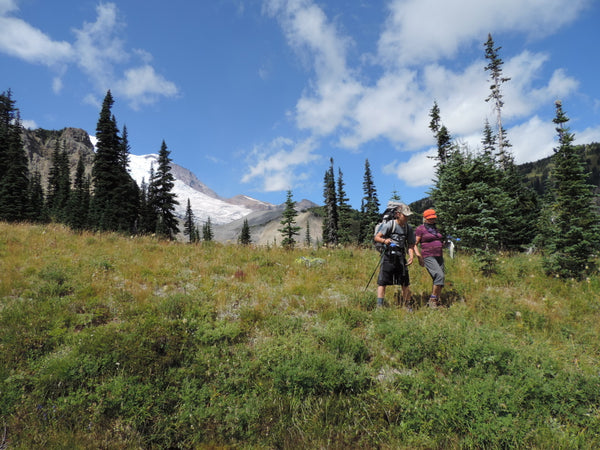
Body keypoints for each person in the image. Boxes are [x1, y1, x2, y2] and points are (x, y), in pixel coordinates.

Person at [374, 203, 416, 307]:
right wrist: (384, 241)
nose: (406, 217)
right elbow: (377, 237)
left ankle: (407, 305)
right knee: (382, 282)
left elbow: (411, 244)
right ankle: (380, 306)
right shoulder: (390, 224)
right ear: (398, 214)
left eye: (408, 215)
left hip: (401, 256)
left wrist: (411, 256)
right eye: (404, 215)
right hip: (388, 256)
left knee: (405, 282)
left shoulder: (408, 228)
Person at [415, 209, 445, 308]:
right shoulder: (421, 229)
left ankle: (437, 300)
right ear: (425, 218)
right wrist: (419, 256)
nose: (432, 220)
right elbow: (414, 244)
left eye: (433, 218)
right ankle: (432, 300)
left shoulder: (436, 228)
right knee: (439, 275)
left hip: (439, 255)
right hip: (428, 255)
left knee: (440, 278)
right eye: (430, 218)